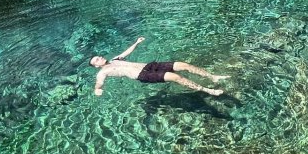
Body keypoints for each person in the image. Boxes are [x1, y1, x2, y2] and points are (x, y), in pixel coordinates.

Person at [90, 37, 228, 97]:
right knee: (175, 77)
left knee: (183, 65)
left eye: (99, 56)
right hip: (143, 75)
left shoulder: (115, 59)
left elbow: (126, 52)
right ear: (96, 66)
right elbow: (99, 83)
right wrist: (97, 90)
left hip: (150, 66)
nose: (100, 57)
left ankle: (213, 77)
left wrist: (136, 43)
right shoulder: (102, 72)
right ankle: (207, 90)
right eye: (97, 59)